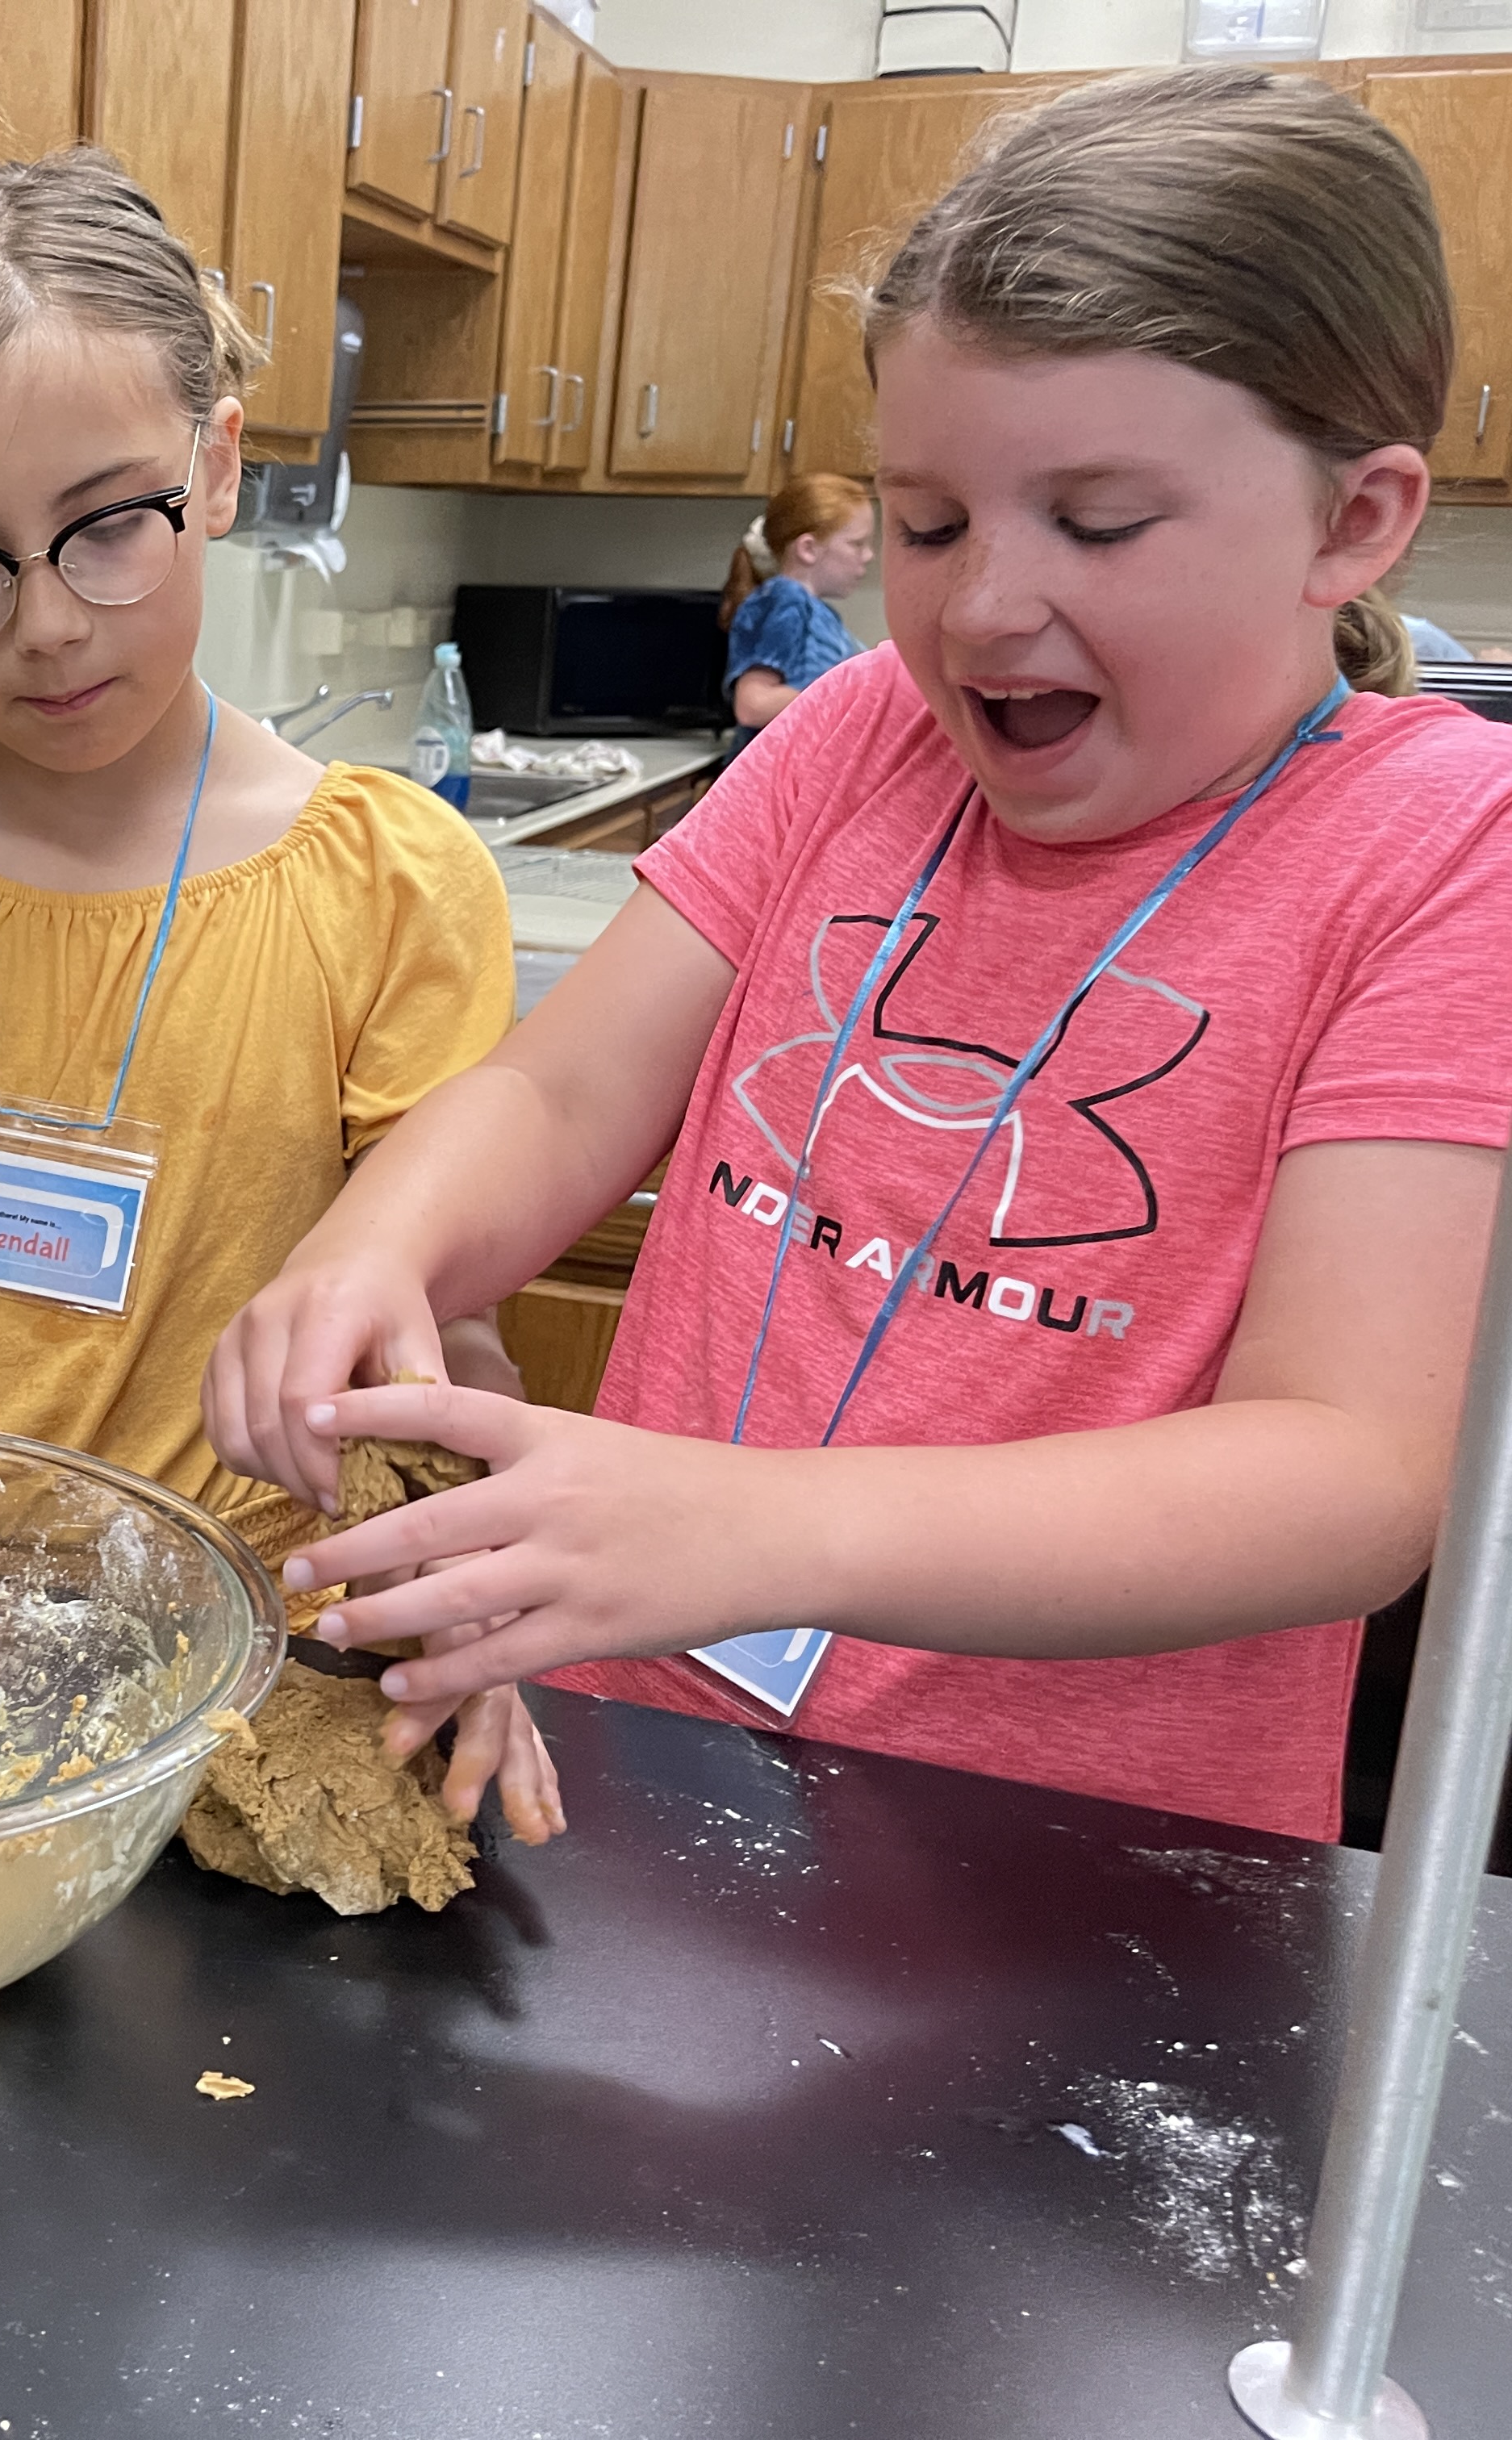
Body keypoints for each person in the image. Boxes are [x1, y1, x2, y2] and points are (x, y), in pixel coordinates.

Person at [204, 66, 1512, 1847]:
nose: (981, 608)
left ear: (1355, 520)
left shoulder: (1444, 845)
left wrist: (754, 1527)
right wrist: (378, 1244)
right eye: (928, 521)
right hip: (634, 1771)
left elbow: (1348, 1469)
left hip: (1083, 1869)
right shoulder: (863, 730)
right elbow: (559, 1093)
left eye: (1099, 523)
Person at [0, 150, 561, 1840]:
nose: (48, 625)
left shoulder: (393, 885)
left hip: (235, 1675)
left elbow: (448, 1333)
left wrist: (467, 1563)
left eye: (107, 528)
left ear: (217, 466)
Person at [721, 473, 876, 736]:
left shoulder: (817, 611)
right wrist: (846, 693)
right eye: (857, 544)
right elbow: (753, 705)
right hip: (779, 762)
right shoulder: (786, 600)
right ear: (808, 549)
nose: (869, 555)